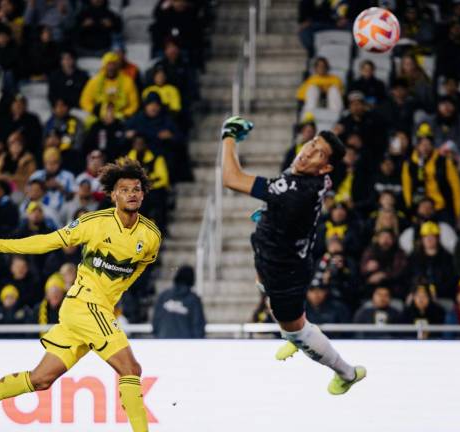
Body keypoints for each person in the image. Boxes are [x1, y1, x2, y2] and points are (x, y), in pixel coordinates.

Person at [0, 159, 161, 432]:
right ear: (113, 195)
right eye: (125, 189)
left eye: (137, 189)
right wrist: (0, 244)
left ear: (143, 193)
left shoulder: (151, 236)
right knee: (131, 370)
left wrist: (116, 294)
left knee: (40, 379)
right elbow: (48, 241)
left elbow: (140, 266)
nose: (132, 193)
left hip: (91, 311)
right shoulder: (94, 223)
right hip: (85, 305)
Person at [219, 116, 365, 395]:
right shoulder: (315, 177)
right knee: (269, 296)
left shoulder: (295, 190)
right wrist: (271, 215)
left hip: (283, 270)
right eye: (311, 144)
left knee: (296, 326)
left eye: (318, 152)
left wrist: (229, 137)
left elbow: (231, 178)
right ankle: (294, 333)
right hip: (283, 252)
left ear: (325, 166)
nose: (308, 152)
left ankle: (346, 373)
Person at [151, 265, 206, 339]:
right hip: (186, 346)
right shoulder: (194, 300)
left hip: (163, 344)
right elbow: (198, 326)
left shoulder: (163, 296)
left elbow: (155, 322)